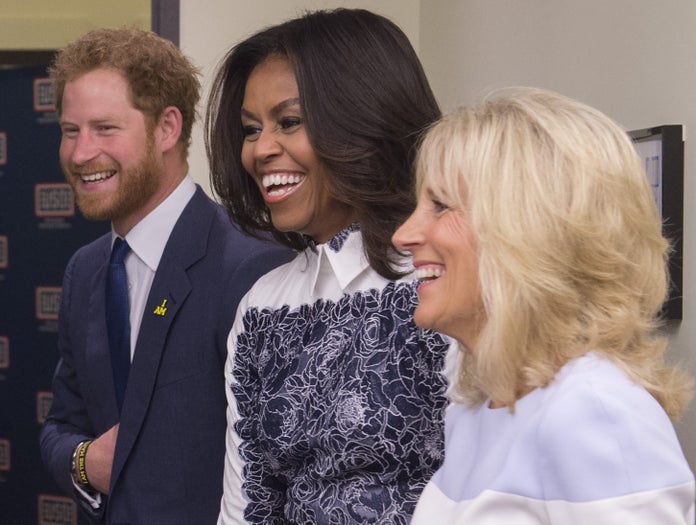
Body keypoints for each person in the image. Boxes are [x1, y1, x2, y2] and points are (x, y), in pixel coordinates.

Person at [392, 87, 696, 524]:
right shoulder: (477, 408)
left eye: (440, 206)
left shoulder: (595, 407)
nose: (404, 234)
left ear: (527, 231)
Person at [205, 8, 453, 524]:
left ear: (364, 119)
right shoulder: (262, 307)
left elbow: (490, 488)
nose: (260, 150)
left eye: (289, 122)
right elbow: (246, 505)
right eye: (251, 129)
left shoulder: (449, 282)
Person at [39, 27, 291, 524]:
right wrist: (85, 463)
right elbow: (60, 427)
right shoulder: (85, 270)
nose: (80, 153)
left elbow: (282, 472)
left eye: (105, 128)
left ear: (168, 128)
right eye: (71, 130)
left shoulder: (252, 266)